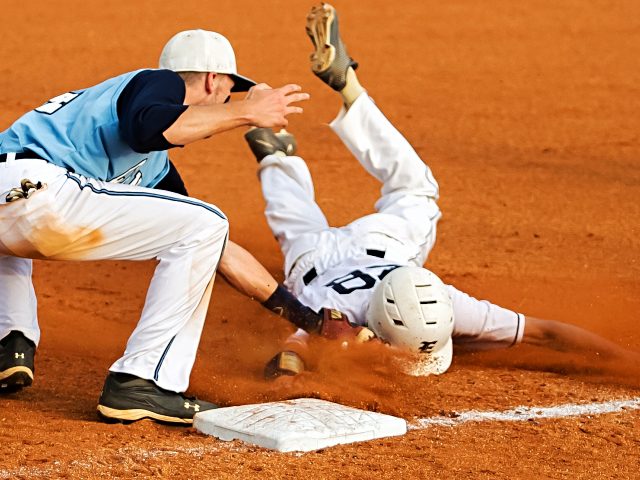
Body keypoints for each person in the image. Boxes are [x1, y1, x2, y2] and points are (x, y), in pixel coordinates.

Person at [245, 3, 640, 378]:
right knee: (308, 221)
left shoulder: (438, 304)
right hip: (339, 252)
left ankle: (282, 150)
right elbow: (547, 333)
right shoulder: (342, 312)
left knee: (408, 191)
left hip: (354, 256)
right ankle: (275, 154)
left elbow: (287, 359)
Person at [0, 28, 316, 425]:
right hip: (36, 184)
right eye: (230, 90)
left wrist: (310, 320)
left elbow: (218, 251)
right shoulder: (157, 82)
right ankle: (144, 381)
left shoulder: (153, 168)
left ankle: (8, 344)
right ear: (211, 79)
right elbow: (152, 126)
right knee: (207, 221)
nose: (227, 100)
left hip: (15, 192)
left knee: (203, 227)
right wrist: (247, 113)